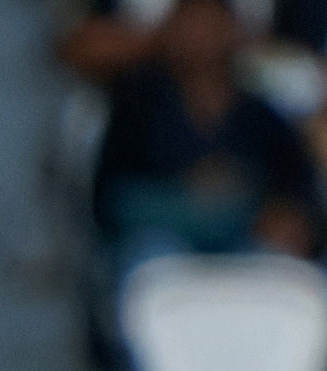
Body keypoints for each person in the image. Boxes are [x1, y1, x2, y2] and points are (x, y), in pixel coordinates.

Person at [93, 0, 319, 275]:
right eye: (191, 23)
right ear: (169, 30)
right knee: (151, 257)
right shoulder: (137, 107)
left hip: (244, 241)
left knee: (279, 265)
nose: (201, 37)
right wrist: (185, 198)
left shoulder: (260, 115)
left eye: (212, 25)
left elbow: (297, 194)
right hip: (162, 239)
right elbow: (111, 198)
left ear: (235, 32)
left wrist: (283, 216)